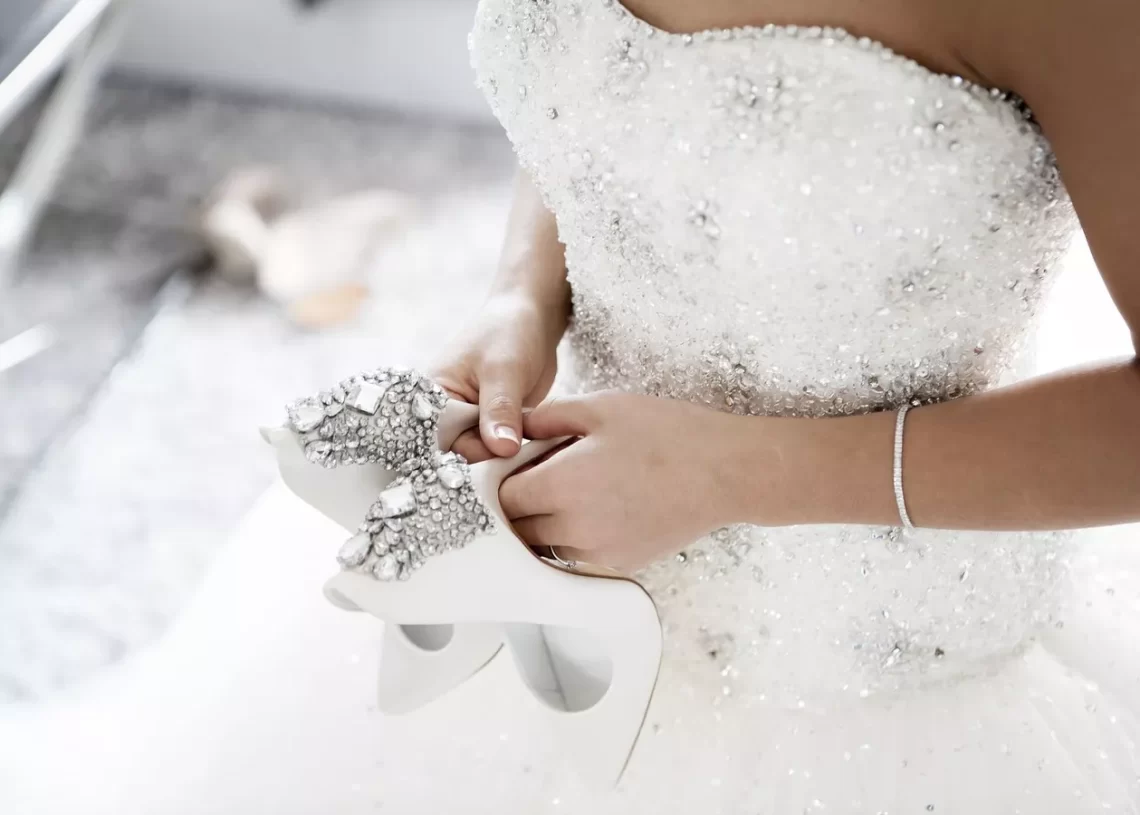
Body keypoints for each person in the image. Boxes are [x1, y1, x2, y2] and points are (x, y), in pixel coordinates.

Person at [4, 1, 1137, 812]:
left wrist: (736, 471)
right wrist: (522, 296)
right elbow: (603, 95)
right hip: (537, 556)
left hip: (870, 669)